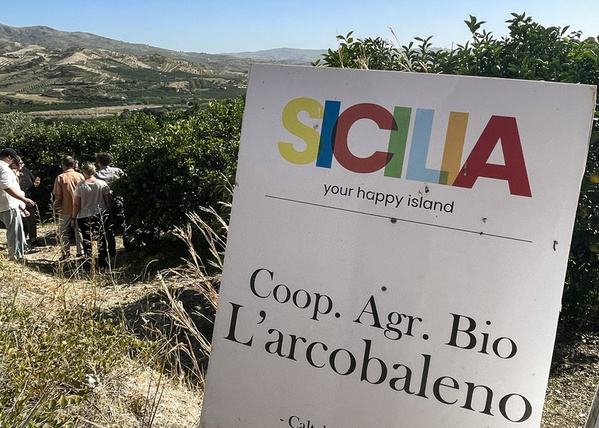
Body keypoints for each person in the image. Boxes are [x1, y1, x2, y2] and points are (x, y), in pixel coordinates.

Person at [73, 162, 112, 269]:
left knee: (87, 240)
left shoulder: (80, 186)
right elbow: (108, 201)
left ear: (84, 172)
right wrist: (110, 212)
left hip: (84, 215)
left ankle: (89, 262)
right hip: (101, 213)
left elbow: (77, 203)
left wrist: (73, 217)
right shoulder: (102, 184)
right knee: (101, 239)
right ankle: (103, 262)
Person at [0, 148, 35, 262]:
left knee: (18, 231)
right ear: (9, 157)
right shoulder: (4, 169)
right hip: (9, 204)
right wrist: (23, 199)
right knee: (14, 232)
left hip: (8, 204)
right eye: (13, 159)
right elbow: (7, 187)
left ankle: (19, 254)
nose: (13, 162)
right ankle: (15, 257)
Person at [53, 155, 84, 259]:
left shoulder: (60, 177)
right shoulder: (80, 176)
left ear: (63, 165)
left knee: (63, 231)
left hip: (65, 208)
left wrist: (54, 209)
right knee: (79, 230)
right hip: (79, 207)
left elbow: (58, 196)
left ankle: (65, 253)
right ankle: (81, 251)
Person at [95, 152, 125, 255]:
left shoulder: (96, 175)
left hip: (104, 202)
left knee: (108, 226)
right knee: (123, 223)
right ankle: (128, 244)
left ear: (99, 162)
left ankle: (112, 250)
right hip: (119, 200)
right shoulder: (118, 171)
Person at [15, 159, 40, 246]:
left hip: (29, 198)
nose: (21, 165)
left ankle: (33, 239)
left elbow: (33, 183)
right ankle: (22, 241)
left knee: (32, 219)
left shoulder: (26, 171)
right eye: (19, 163)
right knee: (21, 221)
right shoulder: (12, 173)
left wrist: (36, 185)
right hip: (18, 200)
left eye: (22, 163)